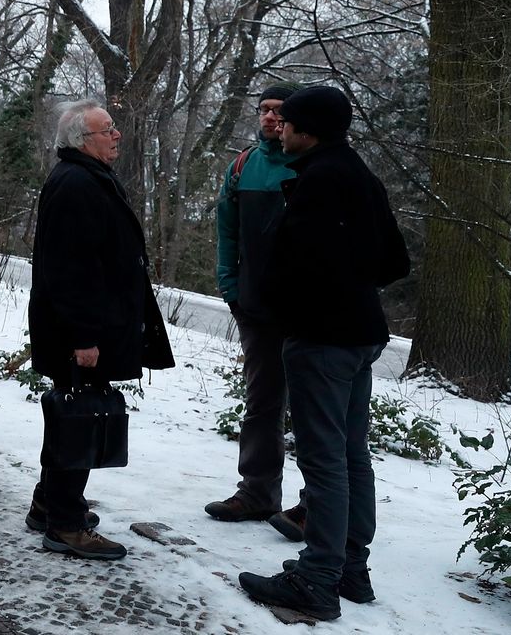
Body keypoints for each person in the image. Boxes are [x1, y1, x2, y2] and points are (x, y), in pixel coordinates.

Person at [238, 86, 408, 620]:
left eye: (287, 123)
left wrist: (286, 304)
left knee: (324, 461)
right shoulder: (360, 176)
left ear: (308, 131)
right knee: (352, 455)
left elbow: (298, 267)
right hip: (360, 333)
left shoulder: (320, 182)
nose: (278, 129)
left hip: (323, 340)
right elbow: (394, 262)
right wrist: (352, 287)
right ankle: (350, 570)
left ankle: (317, 579)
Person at [26, 99, 175, 561]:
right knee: (79, 420)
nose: (117, 135)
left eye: (113, 128)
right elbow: (70, 270)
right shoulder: (76, 184)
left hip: (89, 325)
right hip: (82, 332)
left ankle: (48, 504)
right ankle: (65, 525)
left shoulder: (87, 178)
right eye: (107, 130)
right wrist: (84, 337)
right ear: (81, 140)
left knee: (74, 417)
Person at [206, 82, 309, 541]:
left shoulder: (314, 165)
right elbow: (226, 230)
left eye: (279, 111)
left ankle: (315, 506)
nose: (270, 118)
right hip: (255, 307)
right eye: (264, 110)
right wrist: (230, 285)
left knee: (313, 408)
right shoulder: (243, 165)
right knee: (262, 401)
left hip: (308, 312)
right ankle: (257, 491)